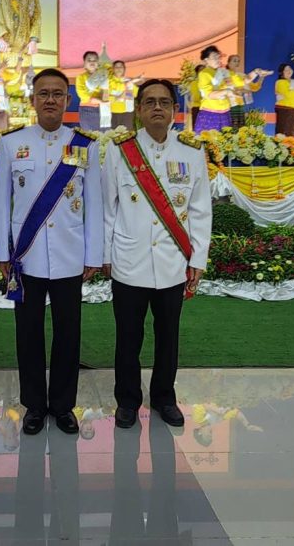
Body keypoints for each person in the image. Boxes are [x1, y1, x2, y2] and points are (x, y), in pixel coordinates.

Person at [0, 68, 103, 435]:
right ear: (32, 100)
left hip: (70, 255)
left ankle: (63, 405)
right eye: (44, 93)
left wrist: (93, 254)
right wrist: (3, 252)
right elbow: (1, 203)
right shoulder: (11, 143)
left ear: (68, 100)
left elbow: (94, 204)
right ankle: (34, 406)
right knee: (28, 335)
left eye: (58, 93)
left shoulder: (85, 145)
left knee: (68, 334)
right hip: (26, 259)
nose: (51, 99)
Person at [102, 79, 212, 429]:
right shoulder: (120, 151)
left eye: (164, 102)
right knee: (128, 337)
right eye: (149, 102)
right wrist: (106, 255)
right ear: (138, 110)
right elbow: (107, 209)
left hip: (172, 262)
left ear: (175, 110)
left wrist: (198, 259)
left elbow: (200, 210)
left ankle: (164, 397)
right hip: (129, 261)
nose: (157, 108)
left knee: (168, 336)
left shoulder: (191, 152)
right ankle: (127, 400)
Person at [194, 45, 238, 133]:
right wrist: (226, 91)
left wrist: (256, 73)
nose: (218, 60)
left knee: (226, 138)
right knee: (208, 139)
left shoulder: (224, 72)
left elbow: (241, 82)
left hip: (225, 111)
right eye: (214, 57)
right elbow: (209, 94)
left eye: (219, 57)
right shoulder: (204, 74)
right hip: (210, 113)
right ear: (206, 60)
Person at [226, 54, 272, 128]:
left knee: (239, 129)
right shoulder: (225, 74)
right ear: (228, 63)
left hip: (240, 105)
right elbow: (229, 89)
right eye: (234, 61)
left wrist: (262, 77)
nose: (237, 63)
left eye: (238, 61)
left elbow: (255, 87)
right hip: (228, 105)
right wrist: (243, 90)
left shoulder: (242, 75)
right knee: (228, 128)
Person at [75, 50, 109, 130]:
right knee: (90, 134)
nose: (92, 62)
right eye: (89, 60)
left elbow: (107, 91)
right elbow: (82, 95)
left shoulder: (103, 75)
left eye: (95, 60)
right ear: (84, 64)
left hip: (103, 108)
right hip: (87, 108)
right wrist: (98, 101)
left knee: (105, 133)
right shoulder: (81, 77)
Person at [274, 63, 294, 139]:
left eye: (290, 69)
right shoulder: (280, 82)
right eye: (286, 70)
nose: (289, 71)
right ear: (282, 73)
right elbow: (288, 94)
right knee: (285, 132)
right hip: (286, 110)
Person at [108, 60, 143, 131]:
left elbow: (134, 94)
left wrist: (130, 86)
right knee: (113, 135)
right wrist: (118, 97)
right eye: (116, 67)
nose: (119, 69)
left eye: (121, 67)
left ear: (124, 69)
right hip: (112, 112)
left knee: (127, 135)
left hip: (127, 112)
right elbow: (105, 98)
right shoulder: (108, 82)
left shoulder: (128, 81)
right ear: (113, 69)